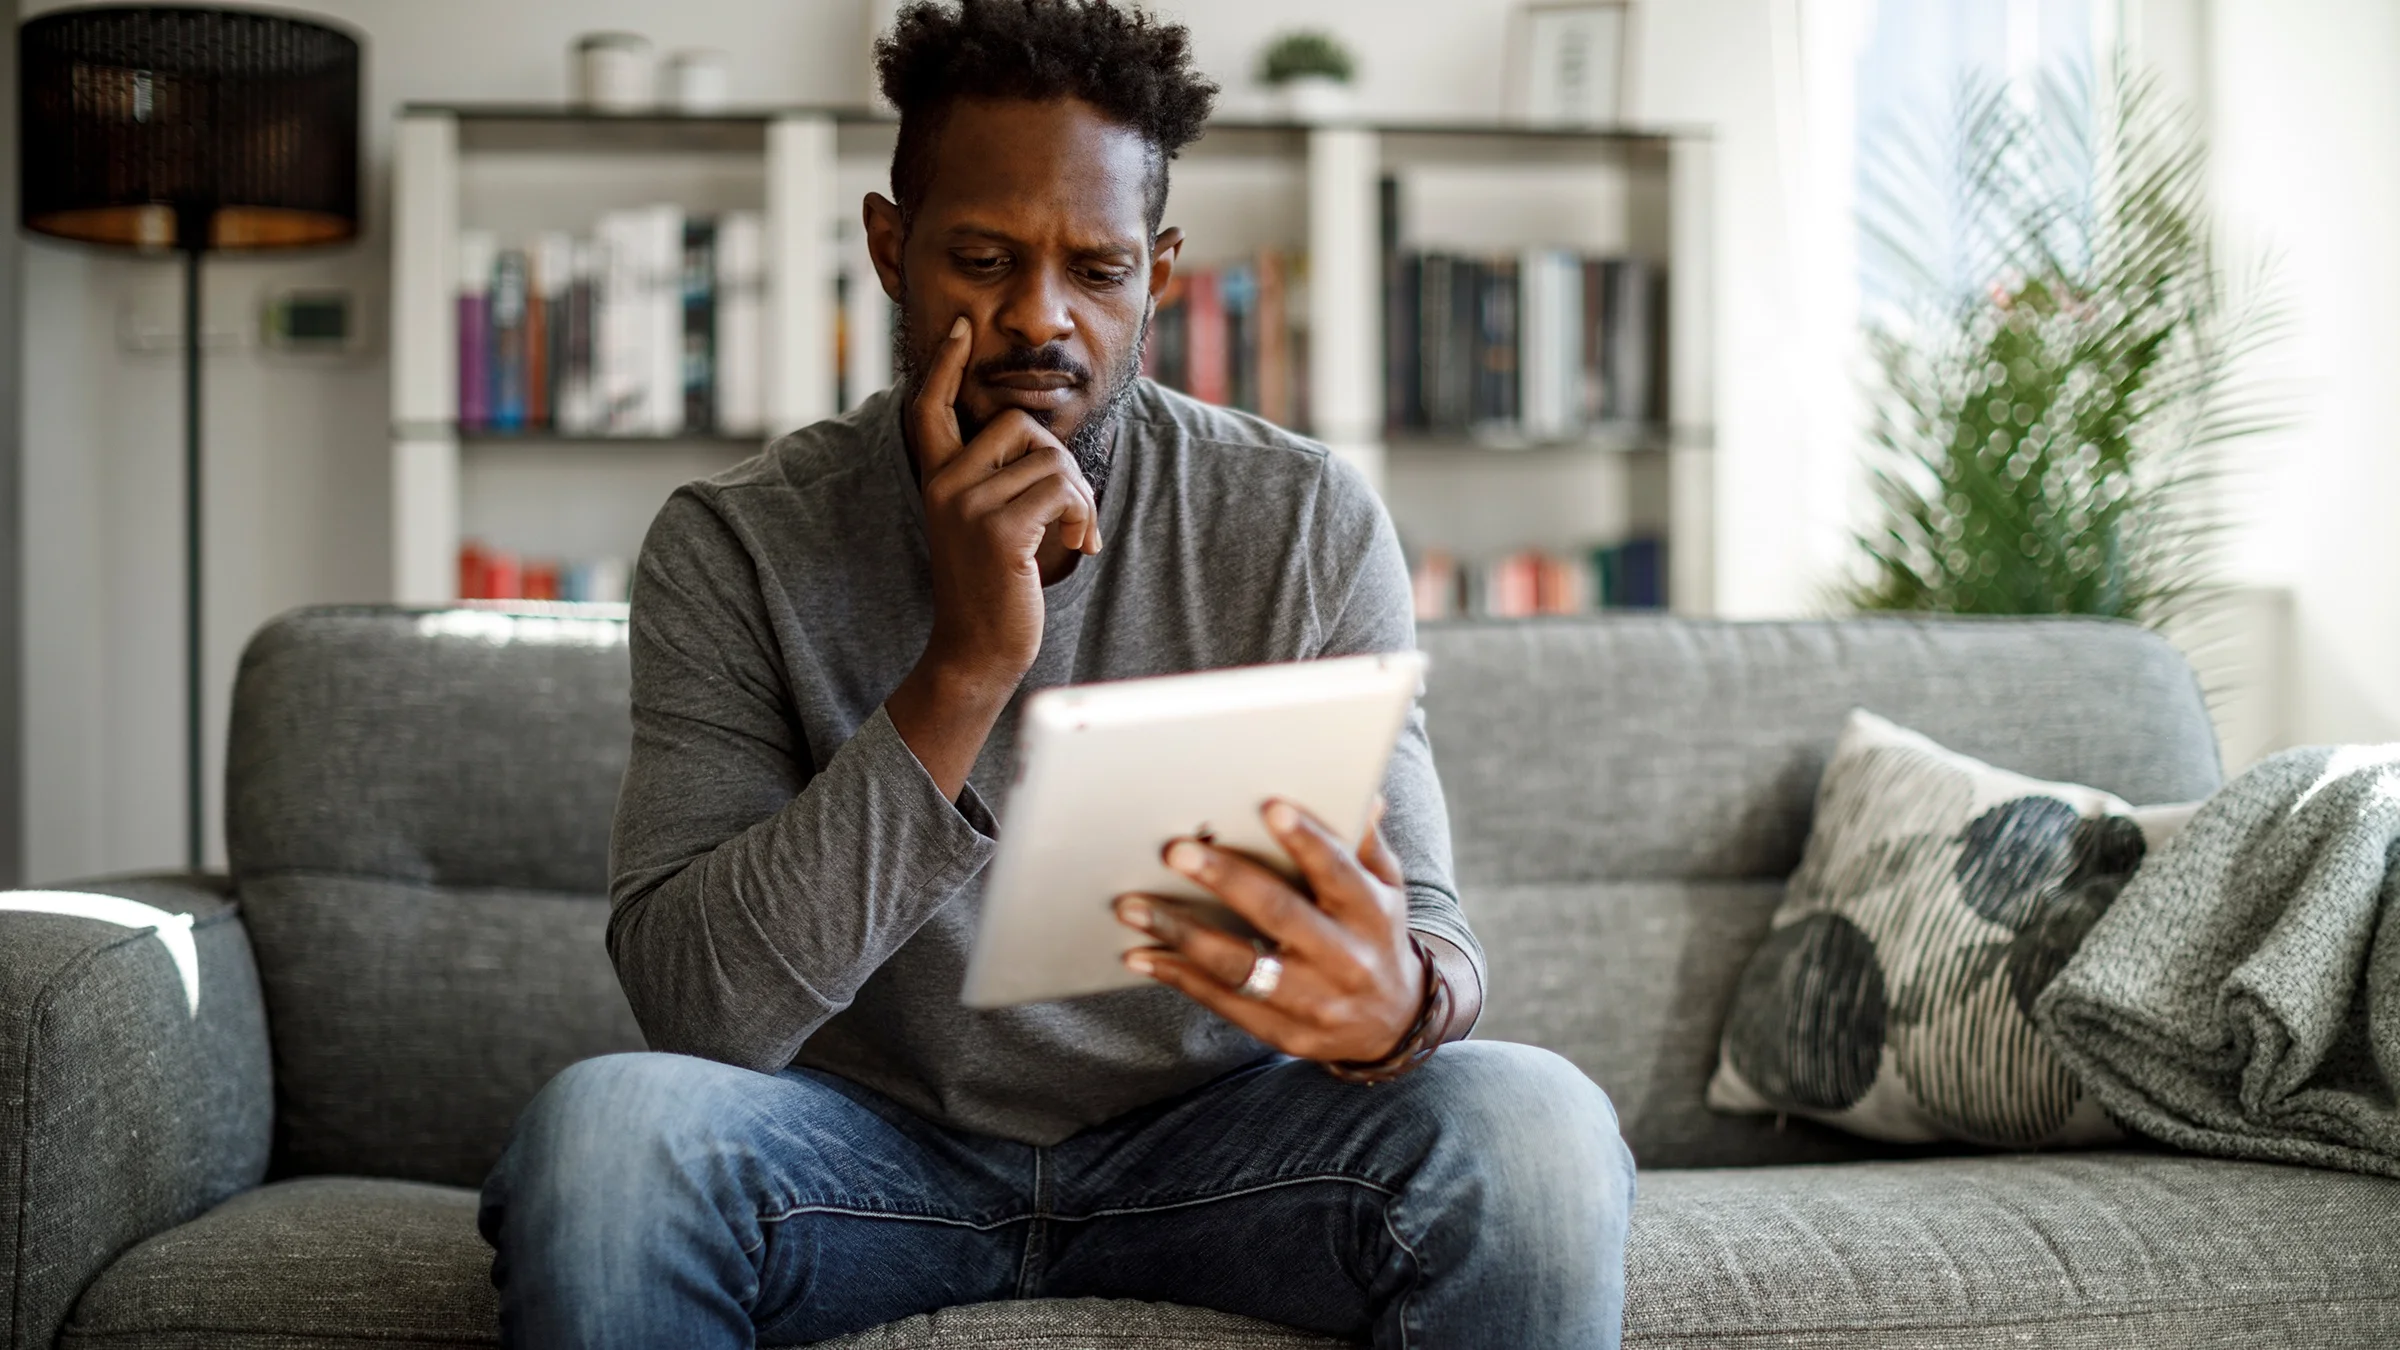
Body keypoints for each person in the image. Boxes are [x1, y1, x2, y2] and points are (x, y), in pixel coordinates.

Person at [477, 2, 1633, 1345]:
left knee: (1534, 1121)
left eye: (1097, 268)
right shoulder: (735, 543)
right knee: (607, 1137)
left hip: (1224, 1153)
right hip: (862, 1154)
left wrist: (1405, 1004)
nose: (1041, 316)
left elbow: (1430, 925)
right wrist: (967, 664)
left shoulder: (1300, 519)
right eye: (983, 259)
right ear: (891, 248)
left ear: (1161, 273)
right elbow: (699, 1012)